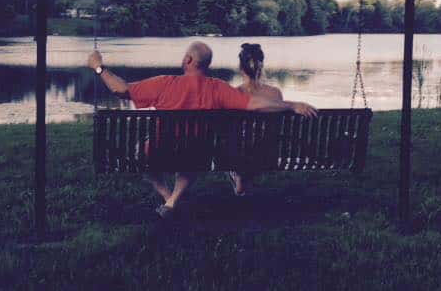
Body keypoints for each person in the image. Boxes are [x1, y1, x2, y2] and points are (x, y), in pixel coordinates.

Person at [87, 41, 316, 218]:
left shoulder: (165, 83)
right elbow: (255, 104)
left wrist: (99, 68)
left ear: (188, 59)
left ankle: (168, 198)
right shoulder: (218, 88)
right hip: (197, 155)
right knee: (194, 152)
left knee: (141, 151)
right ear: (207, 64)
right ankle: (172, 201)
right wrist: (291, 105)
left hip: (160, 152)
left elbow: (121, 90)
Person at [228, 43, 281, 196]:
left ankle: (238, 175)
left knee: (238, 141)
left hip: (238, 155)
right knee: (258, 140)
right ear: (262, 66)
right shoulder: (275, 94)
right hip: (268, 155)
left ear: (240, 67)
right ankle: (245, 175)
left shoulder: (234, 93)